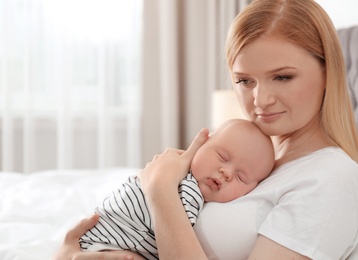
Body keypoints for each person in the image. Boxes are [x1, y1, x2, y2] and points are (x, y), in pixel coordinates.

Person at [53, 0, 358, 259]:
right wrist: (70, 251)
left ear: (328, 71)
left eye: (283, 77)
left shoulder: (334, 179)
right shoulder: (263, 161)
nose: (260, 100)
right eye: (244, 81)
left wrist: (160, 190)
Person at [78, 119, 274, 259]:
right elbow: (176, 236)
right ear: (201, 145)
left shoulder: (167, 171)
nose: (226, 172)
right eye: (222, 157)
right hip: (107, 245)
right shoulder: (188, 190)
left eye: (241, 177)